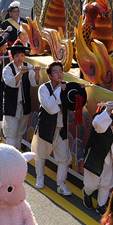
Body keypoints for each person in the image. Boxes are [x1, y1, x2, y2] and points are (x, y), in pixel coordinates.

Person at [33, 61, 72, 195]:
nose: (59, 74)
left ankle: (61, 184)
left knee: (64, 158)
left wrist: (77, 90)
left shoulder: (65, 87)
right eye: (56, 72)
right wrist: (58, 90)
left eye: (61, 72)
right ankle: (40, 178)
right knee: (40, 155)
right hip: (46, 127)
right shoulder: (43, 89)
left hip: (61, 129)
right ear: (49, 75)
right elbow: (49, 107)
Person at [2, 42, 39, 149]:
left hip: (24, 105)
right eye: (17, 56)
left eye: (22, 55)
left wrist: (36, 73)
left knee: (20, 134)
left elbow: (34, 82)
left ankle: (16, 157)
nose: (20, 58)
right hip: (11, 106)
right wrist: (20, 73)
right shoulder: (8, 69)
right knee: (11, 134)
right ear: (13, 57)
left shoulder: (28, 66)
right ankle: (10, 158)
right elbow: (11, 83)